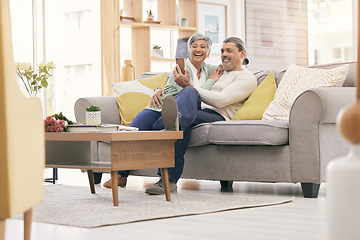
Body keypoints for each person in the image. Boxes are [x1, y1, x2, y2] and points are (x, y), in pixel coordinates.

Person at [102, 33, 222, 188]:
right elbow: (181, 92)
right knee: (133, 130)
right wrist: (158, 89)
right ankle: (121, 175)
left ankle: (169, 126)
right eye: (194, 46)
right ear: (189, 50)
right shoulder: (181, 68)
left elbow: (226, 70)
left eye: (203, 47)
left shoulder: (212, 69)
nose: (198, 49)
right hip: (162, 106)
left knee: (188, 98)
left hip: (183, 111)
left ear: (208, 52)